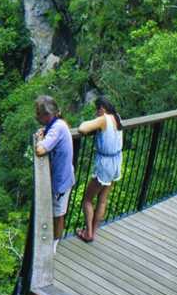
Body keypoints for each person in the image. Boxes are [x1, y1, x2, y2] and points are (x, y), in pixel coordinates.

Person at [74, 97, 123, 242]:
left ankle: (88, 234)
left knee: (87, 199)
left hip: (105, 164)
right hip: (116, 161)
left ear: (102, 108)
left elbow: (82, 128)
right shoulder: (117, 117)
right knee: (102, 200)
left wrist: (94, 120)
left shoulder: (103, 119)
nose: (96, 112)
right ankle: (93, 231)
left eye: (97, 109)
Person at [34, 96, 75, 245]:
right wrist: (45, 131)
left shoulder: (57, 128)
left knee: (58, 215)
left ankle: (54, 245)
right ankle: (53, 241)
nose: (36, 116)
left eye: (38, 113)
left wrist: (39, 139)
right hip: (64, 176)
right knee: (56, 213)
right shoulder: (58, 124)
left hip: (61, 182)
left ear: (47, 115)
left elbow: (40, 150)